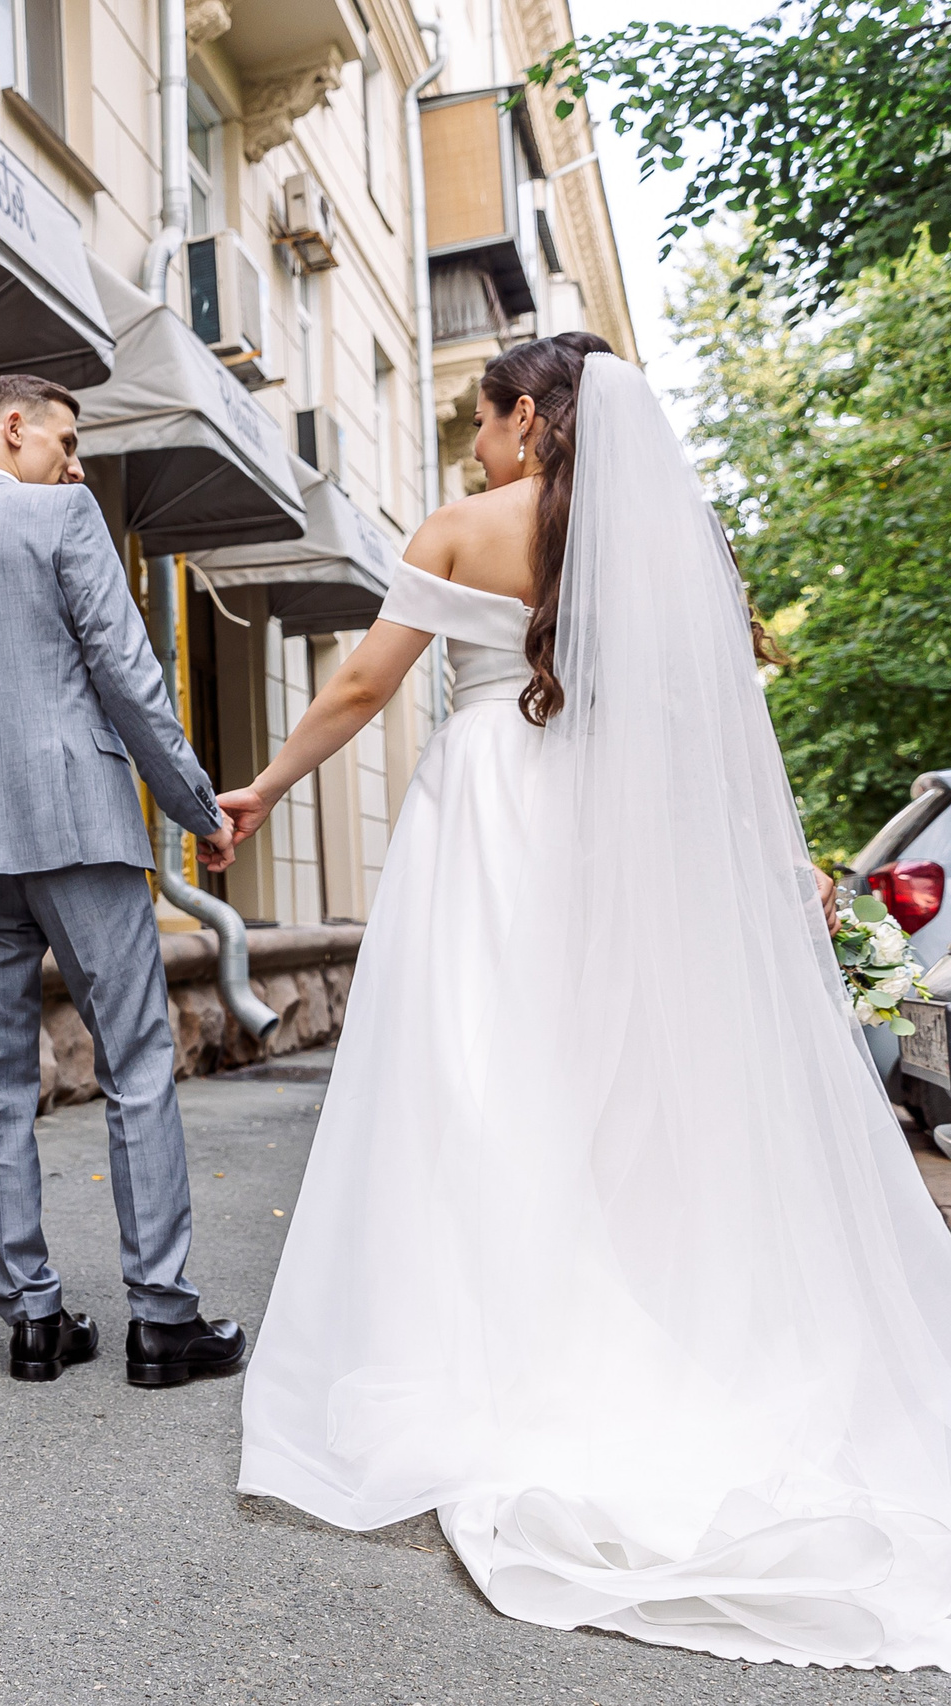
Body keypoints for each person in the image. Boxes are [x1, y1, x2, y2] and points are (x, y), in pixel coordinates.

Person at [225, 336, 951, 1668]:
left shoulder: (461, 527)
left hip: (488, 823)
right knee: (599, 1081)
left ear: (527, 419)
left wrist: (263, 787)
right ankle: (624, 1310)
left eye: (486, 421)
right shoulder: (651, 546)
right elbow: (705, 712)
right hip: (603, 834)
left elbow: (361, 682)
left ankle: (498, 1334)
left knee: (480, 1071)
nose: (478, 445)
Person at [0, 372, 242, 1386]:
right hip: (76, 827)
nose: (75, 465)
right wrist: (198, 807)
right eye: (65, 439)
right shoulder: (61, 517)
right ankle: (160, 1319)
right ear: (12, 428)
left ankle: (33, 1321)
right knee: (136, 1063)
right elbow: (128, 672)